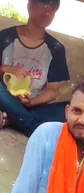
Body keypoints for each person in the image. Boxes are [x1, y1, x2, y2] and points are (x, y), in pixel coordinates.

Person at [0, 0, 70, 137]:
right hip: (5, 98)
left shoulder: (56, 49)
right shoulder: (5, 37)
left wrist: (32, 102)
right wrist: (7, 68)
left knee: (70, 109)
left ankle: (12, 119)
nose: (48, 10)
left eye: (53, 7)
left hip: (34, 105)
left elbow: (52, 91)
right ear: (29, 5)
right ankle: (32, 126)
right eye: (43, 3)